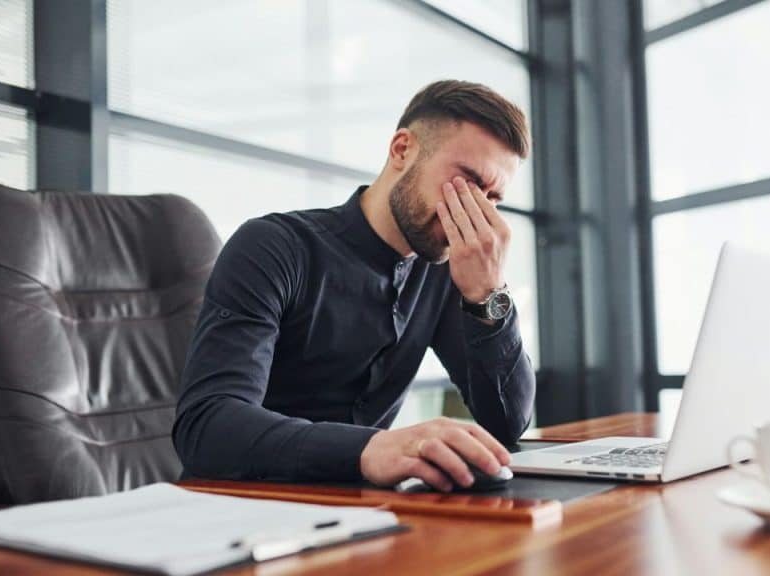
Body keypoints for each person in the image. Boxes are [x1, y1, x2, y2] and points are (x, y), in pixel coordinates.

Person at [173, 80, 536, 492]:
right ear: (402, 150)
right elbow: (207, 427)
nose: (476, 212)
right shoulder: (274, 247)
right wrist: (369, 449)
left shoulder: (446, 268)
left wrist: (489, 295)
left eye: (492, 199)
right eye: (467, 183)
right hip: (241, 505)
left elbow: (507, 423)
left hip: (365, 512)